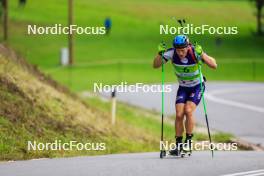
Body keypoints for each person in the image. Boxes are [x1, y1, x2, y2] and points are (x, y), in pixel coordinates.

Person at [153, 35, 217, 156]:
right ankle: (178, 145)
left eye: (183, 50)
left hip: (197, 86)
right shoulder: (172, 53)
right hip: (183, 87)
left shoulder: (194, 52)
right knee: (178, 114)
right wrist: (159, 54)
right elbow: (155, 65)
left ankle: (188, 142)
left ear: (188, 47)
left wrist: (202, 54)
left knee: (188, 110)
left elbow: (214, 65)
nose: (180, 53)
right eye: (178, 50)